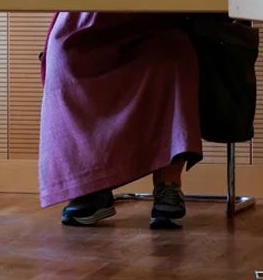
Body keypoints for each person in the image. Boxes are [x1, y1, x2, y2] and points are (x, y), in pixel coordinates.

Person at [38, 12, 200, 229]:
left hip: (155, 18)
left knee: (172, 54)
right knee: (63, 56)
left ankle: (168, 184)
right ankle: (91, 188)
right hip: (86, 18)